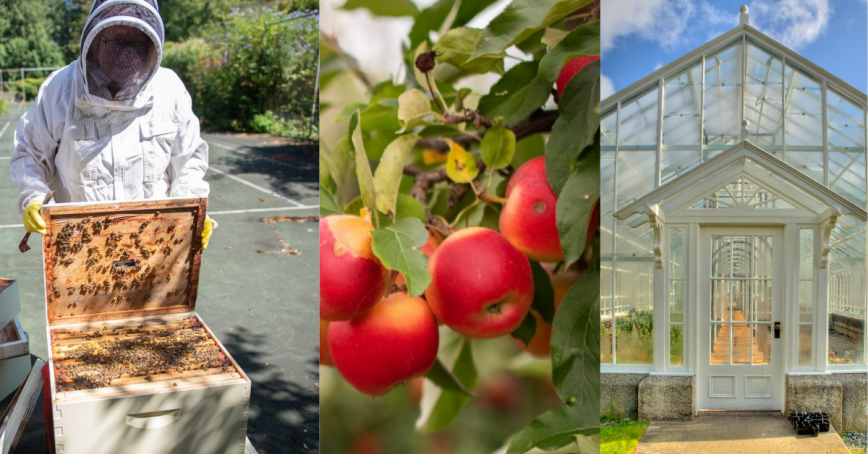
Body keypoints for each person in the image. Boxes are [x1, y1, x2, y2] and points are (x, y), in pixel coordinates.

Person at [10, 0, 213, 248]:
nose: (125, 54)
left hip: (152, 245)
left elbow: (189, 161)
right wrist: (34, 198)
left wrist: (192, 209)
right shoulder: (60, 89)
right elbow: (29, 155)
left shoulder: (170, 90)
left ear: (150, 46)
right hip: (80, 245)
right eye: (115, 42)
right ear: (96, 41)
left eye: (136, 43)